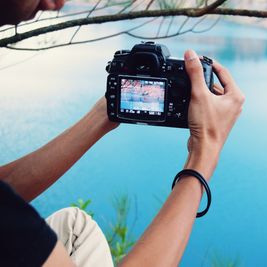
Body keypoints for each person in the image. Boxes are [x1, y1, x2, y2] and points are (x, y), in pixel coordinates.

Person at [0, 0, 245, 266]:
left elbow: (6, 189)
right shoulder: (16, 230)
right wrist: (204, 152)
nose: (57, 3)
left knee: (75, 225)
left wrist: (104, 114)